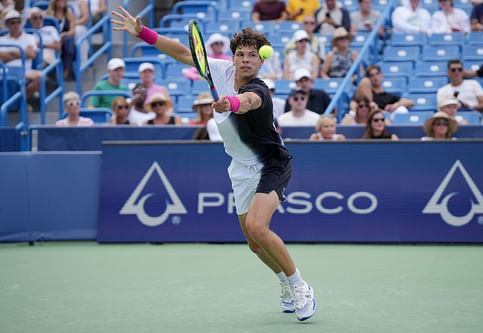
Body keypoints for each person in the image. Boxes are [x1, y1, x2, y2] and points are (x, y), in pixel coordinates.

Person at [112, 6, 317, 321]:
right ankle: (284, 284)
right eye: (241, 54)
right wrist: (142, 32)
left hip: (270, 164)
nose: (246, 59)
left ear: (261, 61)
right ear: (233, 57)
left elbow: (248, 102)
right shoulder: (219, 70)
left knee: (257, 226)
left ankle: (300, 284)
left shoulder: (260, 89)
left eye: (253, 55)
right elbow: (182, 53)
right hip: (240, 168)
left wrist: (230, 102)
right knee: (254, 244)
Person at [0, 10, 41, 103]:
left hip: (24, 71)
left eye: (18, 21)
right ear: (7, 25)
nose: (16, 25)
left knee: (40, 77)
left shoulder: (30, 37)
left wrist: (9, 54)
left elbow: (32, 54)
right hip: (4, 71)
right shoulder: (1, 39)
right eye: (12, 22)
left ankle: (21, 101)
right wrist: (22, 53)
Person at [46, 0, 77, 79]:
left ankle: (66, 70)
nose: (61, 2)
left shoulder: (69, 15)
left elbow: (72, 31)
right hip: (52, 37)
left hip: (64, 38)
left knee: (68, 42)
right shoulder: (48, 14)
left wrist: (63, 34)